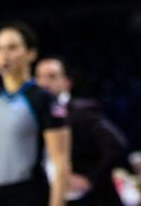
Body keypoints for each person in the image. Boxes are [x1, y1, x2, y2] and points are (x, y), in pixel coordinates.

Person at [0, 22, 71, 206]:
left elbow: (60, 162)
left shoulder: (43, 100)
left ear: (31, 53)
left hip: (28, 194)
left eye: (12, 48)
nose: (3, 55)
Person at [35, 56, 127, 206]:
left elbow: (117, 144)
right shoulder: (35, 118)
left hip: (91, 200)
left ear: (67, 83)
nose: (44, 83)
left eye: (52, 76)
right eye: (39, 77)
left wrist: (90, 179)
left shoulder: (81, 111)